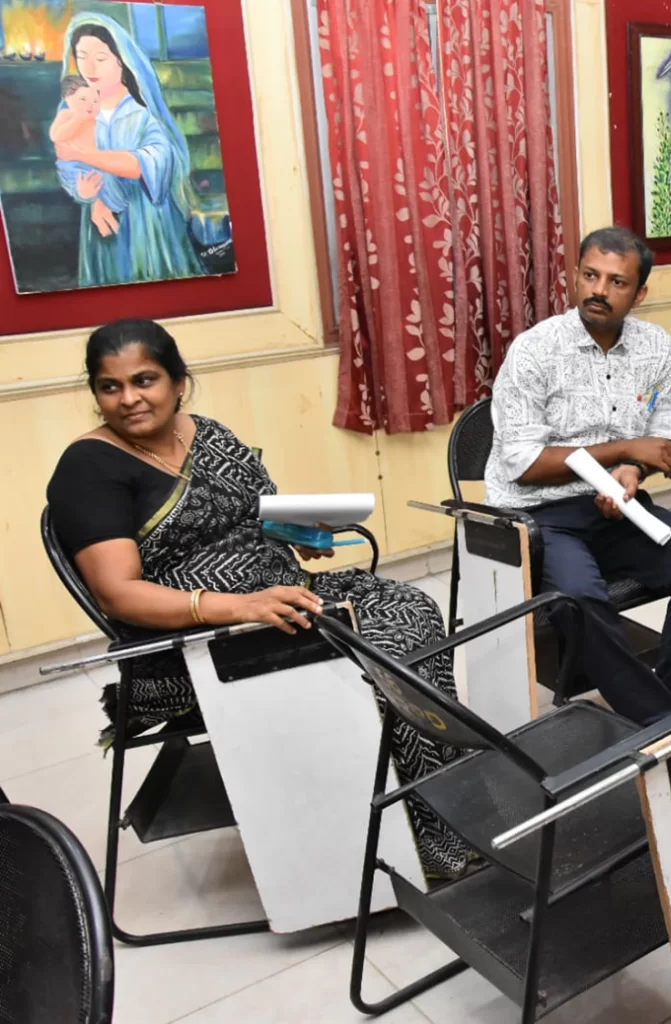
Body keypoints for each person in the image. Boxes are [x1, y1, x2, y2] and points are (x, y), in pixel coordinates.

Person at [46, 319, 467, 878]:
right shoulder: (88, 468)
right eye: (110, 386)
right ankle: (418, 834)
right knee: (380, 649)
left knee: (411, 607)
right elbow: (118, 594)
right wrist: (241, 607)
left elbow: (258, 519)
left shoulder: (208, 434)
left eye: (144, 380)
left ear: (178, 382)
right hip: (202, 641)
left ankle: (445, 794)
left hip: (282, 601)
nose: (128, 399)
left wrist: (300, 535)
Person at [485, 225, 671, 725]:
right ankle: (664, 724)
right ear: (574, 276)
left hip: (619, 505)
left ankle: (669, 705)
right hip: (540, 514)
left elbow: (662, 439)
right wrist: (621, 449)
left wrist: (632, 469)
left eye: (617, 282)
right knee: (580, 599)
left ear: (639, 294)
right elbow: (522, 464)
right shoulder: (534, 350)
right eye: (591, 276)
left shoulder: (656, 347)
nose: (599, 290)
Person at [56, 15, 206, 286]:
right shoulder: (74, 109)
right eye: (82, 57)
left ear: (121, 60)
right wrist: (89, 196)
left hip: (145, 220)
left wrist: (82, 155)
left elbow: (147, 163)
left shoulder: (142, 113)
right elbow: (67, 163)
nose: (90, 68)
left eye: (101, 58)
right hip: (100, 223)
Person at [51, 76, 118, 240]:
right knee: (89, 189)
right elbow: (56, 135)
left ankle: (109, 225)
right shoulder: (67, 115)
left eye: (95, 101)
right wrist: (78, 119)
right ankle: (104, 224)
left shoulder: (98, 121)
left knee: (106, 190)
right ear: (68, 100)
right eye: (83, 100)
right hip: (73, 167)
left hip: (95, 164)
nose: (90, 105)